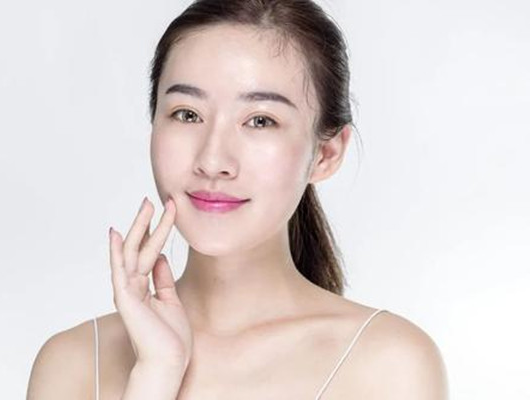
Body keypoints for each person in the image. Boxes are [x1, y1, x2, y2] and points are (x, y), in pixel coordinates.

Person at [27, 0, 449, 399]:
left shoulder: (388, 363)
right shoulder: (74, 363)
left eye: (260, 121)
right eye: (187, 114)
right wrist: (154, 376)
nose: (213, 161)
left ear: (326, 153)